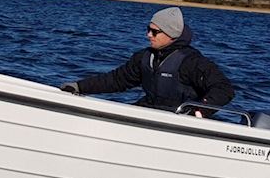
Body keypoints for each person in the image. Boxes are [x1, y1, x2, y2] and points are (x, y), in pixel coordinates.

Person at [60, 7, 235, 116]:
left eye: (154, 32)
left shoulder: (192, 62)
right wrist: (79, 87)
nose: (148, 35)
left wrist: (202, 109)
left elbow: (224, 89)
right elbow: (116, 80)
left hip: (178, 119)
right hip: (149, 111)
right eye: (148, 29)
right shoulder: (144, 57)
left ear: (171, 34)